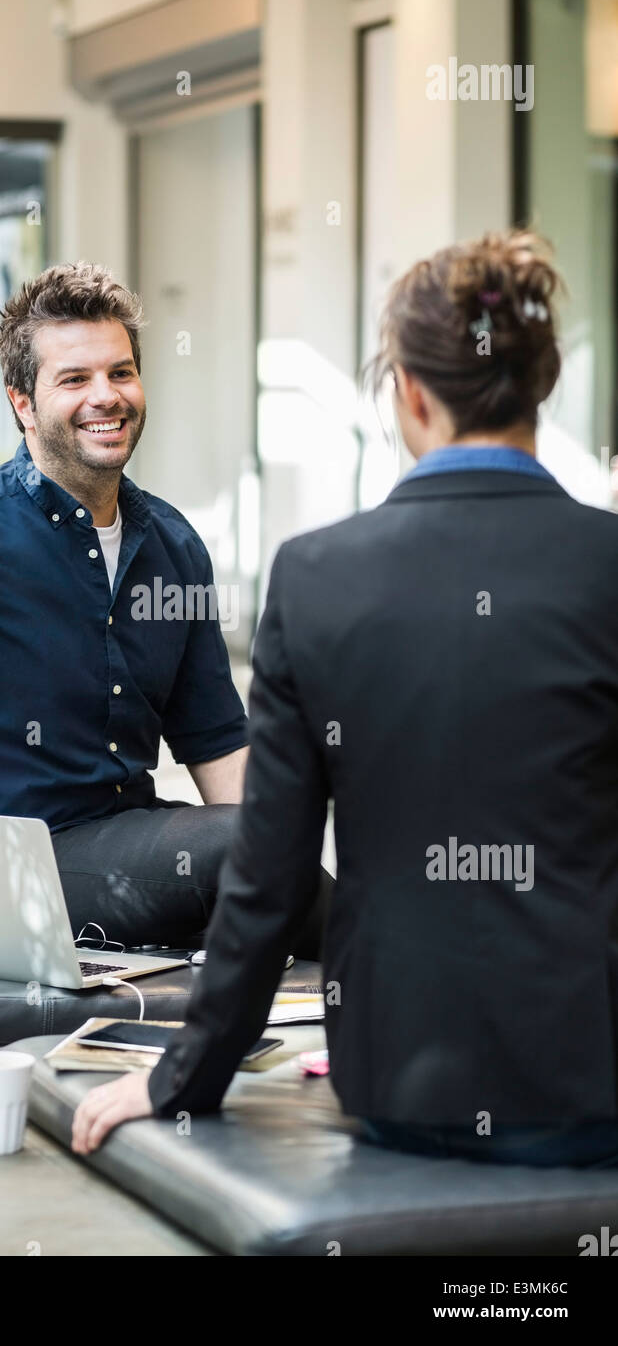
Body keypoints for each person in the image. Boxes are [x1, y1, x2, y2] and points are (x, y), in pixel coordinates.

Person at [72, 229, 618, 1168]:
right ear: (546, 379)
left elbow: (269, 872)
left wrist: (181, 1077)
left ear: (406, 391)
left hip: (403, 1077)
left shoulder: (320, 577)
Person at [0, 262, 330, 957]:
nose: (105, 397)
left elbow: (215, 738)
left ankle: (390, 990)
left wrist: (280, 836)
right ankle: (415, 986)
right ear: (22, 402)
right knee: (248, 850)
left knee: (272, 835)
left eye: (120, 373)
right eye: (74, 379)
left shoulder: (173, 546)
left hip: (119, 843)